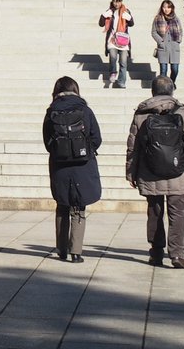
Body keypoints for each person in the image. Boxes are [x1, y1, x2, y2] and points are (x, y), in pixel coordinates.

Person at [126, 75, 184, 268]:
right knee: (178, 214)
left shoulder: (141, 114)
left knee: (155, 213)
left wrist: (130, 173)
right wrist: (180, 154)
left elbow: (133, 147)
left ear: (153, 91)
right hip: (179, 173)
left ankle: (156, 252)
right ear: (171, 90)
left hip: (150, 172)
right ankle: (177, 254)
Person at [43, 76, 102, 262]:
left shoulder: (51, 111)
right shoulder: (85, 110)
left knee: (62, 206)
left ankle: (61, 249)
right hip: (82, 164)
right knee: (78, 207)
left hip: (60, 166)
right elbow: (97, 138)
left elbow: (47, 142)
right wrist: (85, 151)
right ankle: (76, 252)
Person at [100, 0, 137, 89]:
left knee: (123, 62)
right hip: (112, 40)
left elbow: (131, 24)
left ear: (121, 2)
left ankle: (121, 81)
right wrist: (103, 16)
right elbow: (101, 24)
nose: (117, 3)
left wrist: (129, 18)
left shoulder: (126, 11)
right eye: (115, 1)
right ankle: (113, 72)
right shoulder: (110, 11)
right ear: (112, 1)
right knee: (112, 56)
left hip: (123, 41)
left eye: (119, 1)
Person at [152, 0, 182, 84]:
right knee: (163, 71)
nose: (166, 9)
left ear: (172, 8)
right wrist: (160, 42)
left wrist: (178, 40)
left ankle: (171, 84)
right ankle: (163, 88)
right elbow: (153, 32)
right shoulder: (157, 18)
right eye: (164, 7)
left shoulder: (176, 19)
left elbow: (180, 31)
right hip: (163, 48)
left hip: (174, 47)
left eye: (168, 7)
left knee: (175, 69)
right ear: (161, 8)